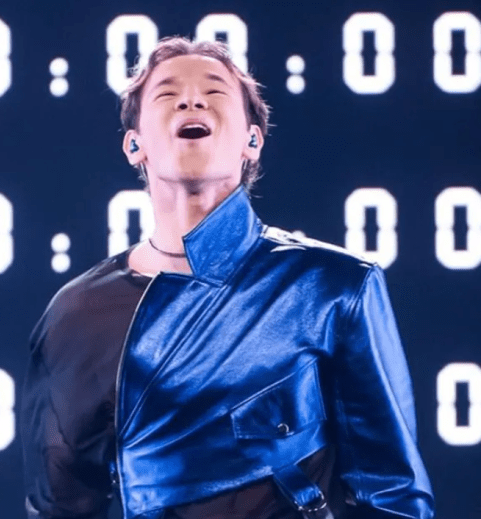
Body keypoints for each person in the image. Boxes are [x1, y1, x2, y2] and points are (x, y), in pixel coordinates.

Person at [21, 36, 433, 519]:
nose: (191, 101)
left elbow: (392, 495)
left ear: (252, 141)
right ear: (134, 145)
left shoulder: (332, 287)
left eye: (213, 91)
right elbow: (60, 505)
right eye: (168, 93)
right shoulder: (77, 314)